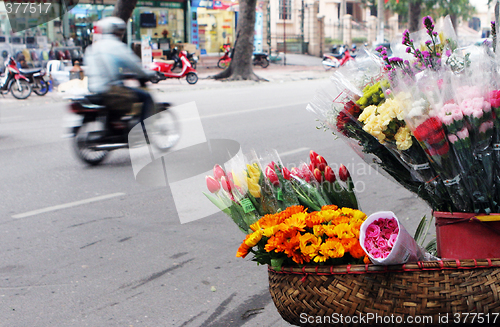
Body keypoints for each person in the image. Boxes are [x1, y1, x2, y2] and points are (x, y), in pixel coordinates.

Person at [83, 16, 156, 123]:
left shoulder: (92, 48)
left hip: (94, 89)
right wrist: (148, 73)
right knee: (146, 96)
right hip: (111, 90)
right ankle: (141, 130)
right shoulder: (117, 47)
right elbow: (134, 65)